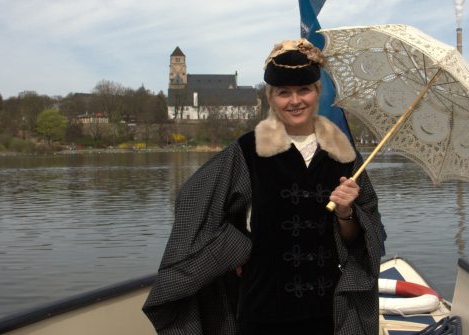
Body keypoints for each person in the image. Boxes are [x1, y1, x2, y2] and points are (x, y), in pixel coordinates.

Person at [143, 38, 385, 335]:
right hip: (263, 309)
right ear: (271, 97)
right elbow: (194, 201)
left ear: (317, 91)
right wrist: (232, 247)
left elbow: (363, 239)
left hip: (328, 312)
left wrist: (347, 213)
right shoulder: (247, 151)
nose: (295, 101)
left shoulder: (345, 154)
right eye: (284, 93)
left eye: (304, 90)